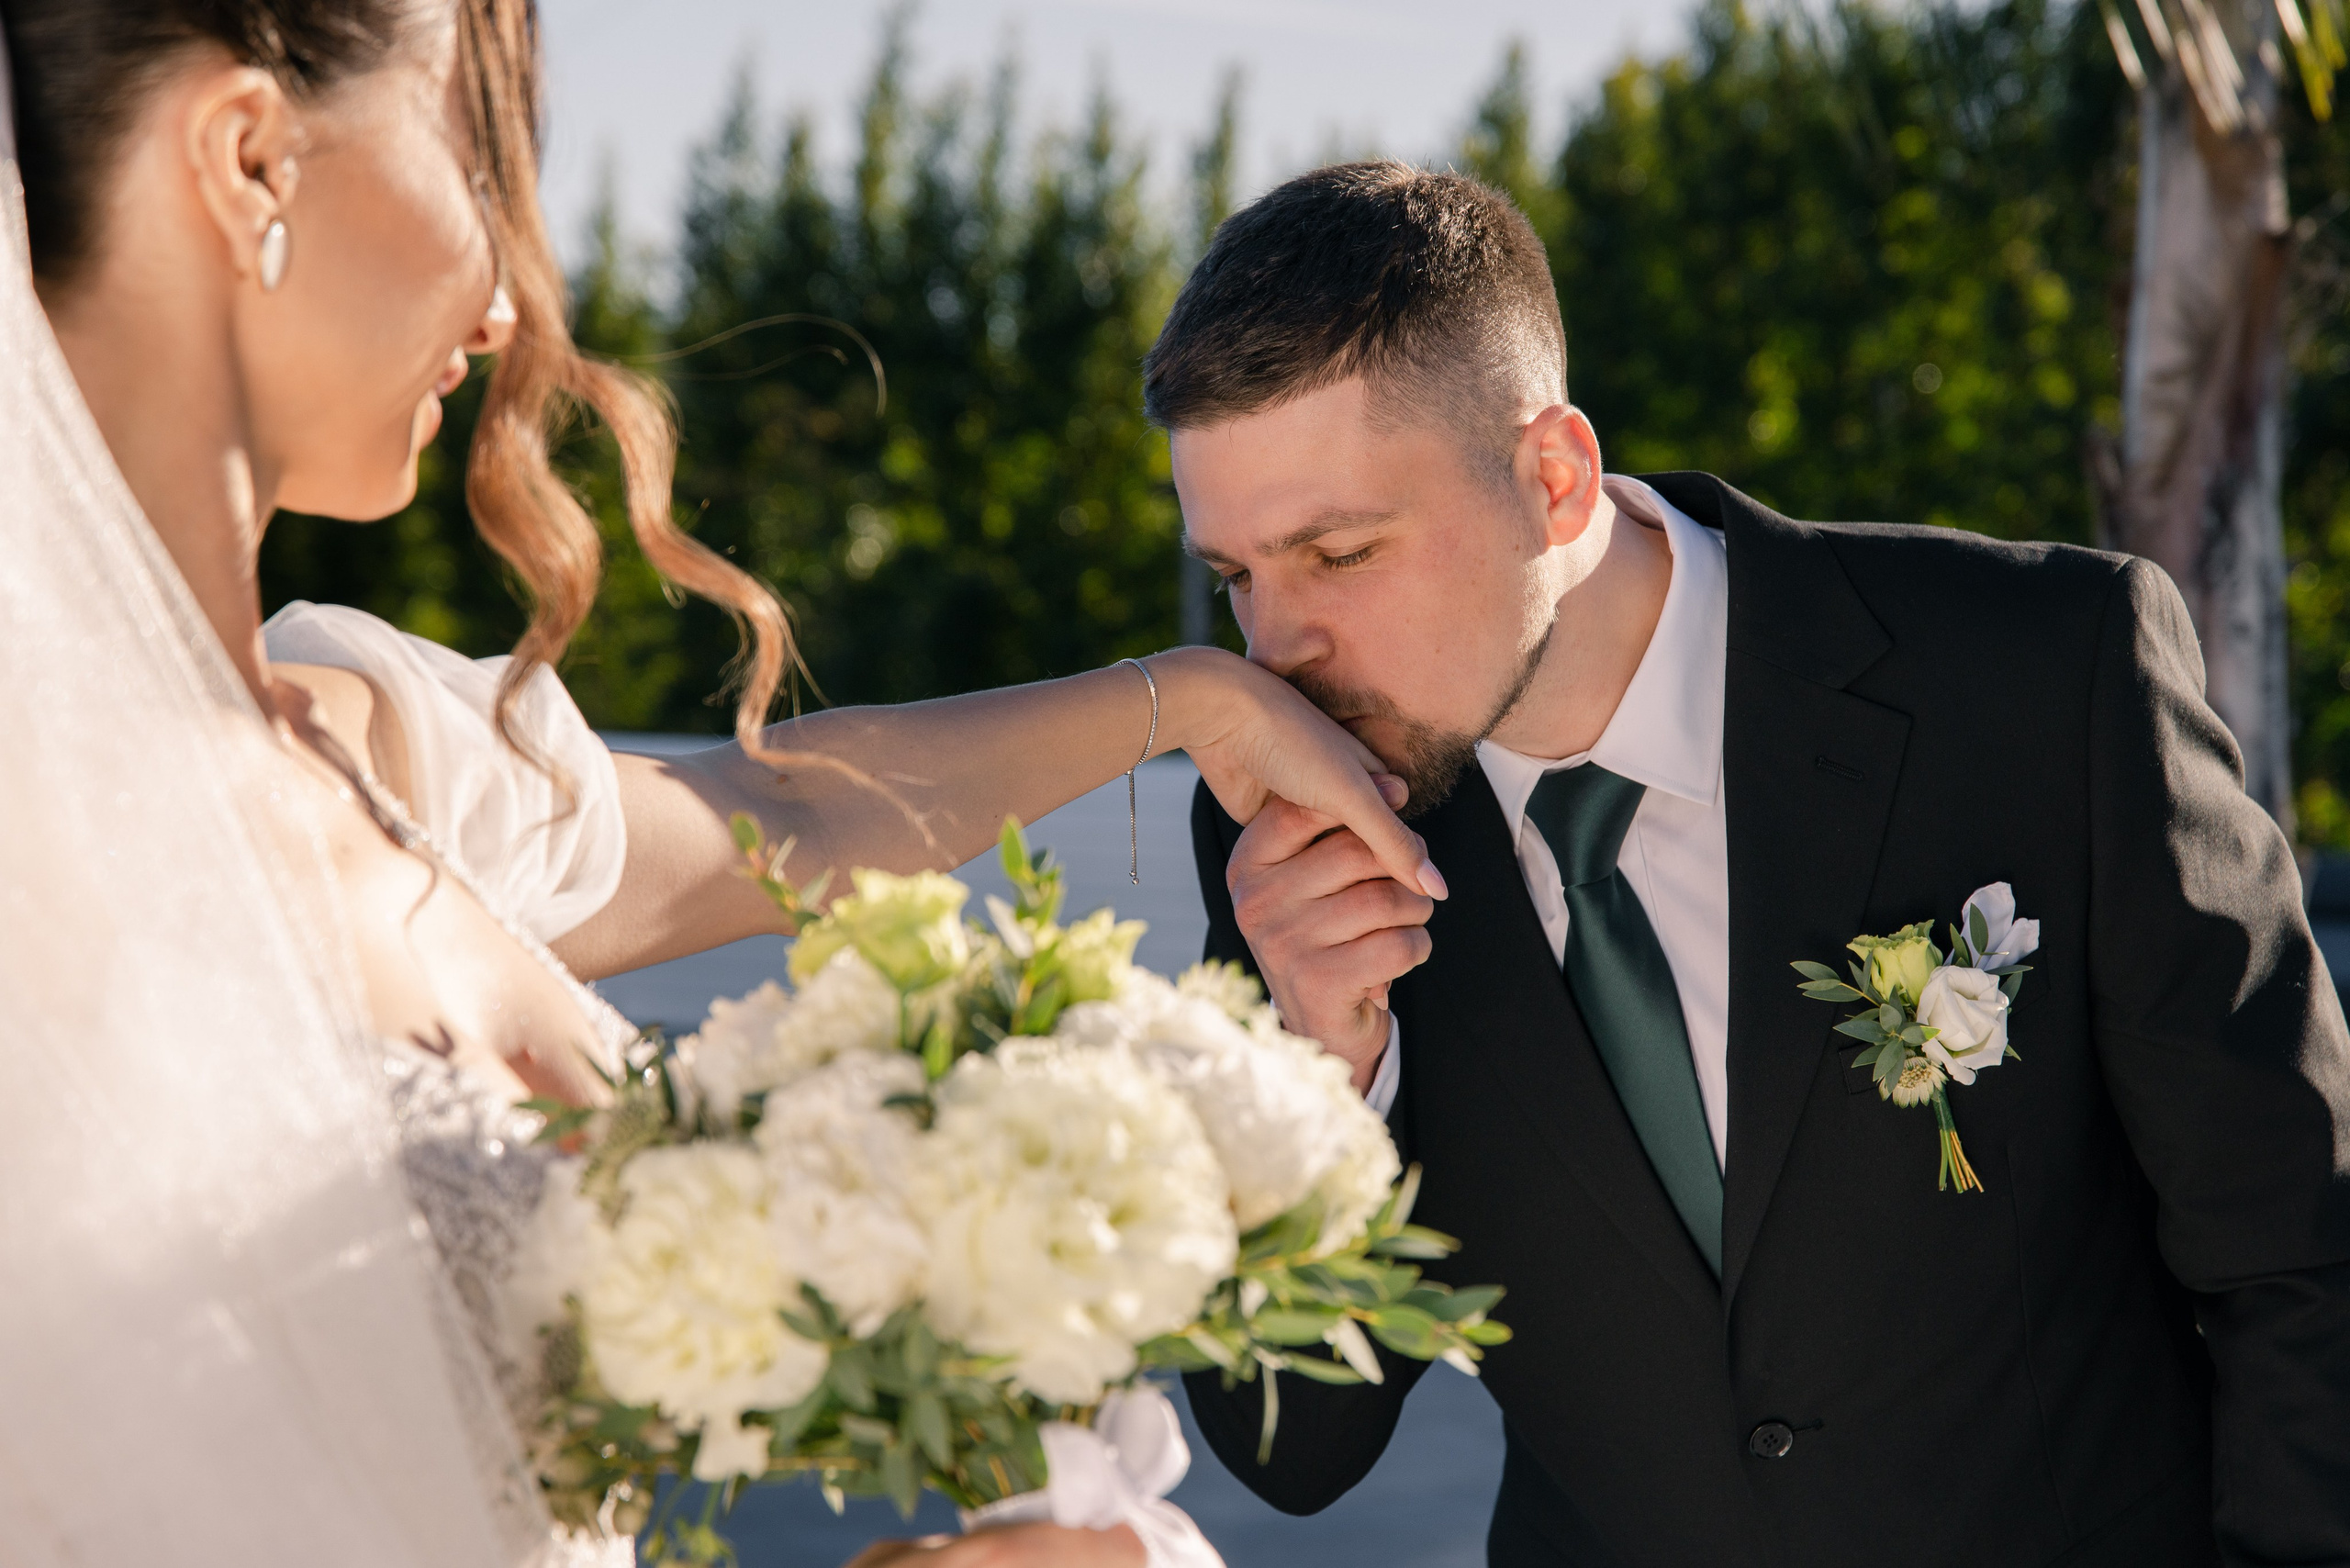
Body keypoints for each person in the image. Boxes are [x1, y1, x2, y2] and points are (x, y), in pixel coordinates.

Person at [0, 5, 1438, 1564]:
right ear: (248, 161)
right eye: (483, 158)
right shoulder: (39, 879)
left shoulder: (374, 753)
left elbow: (797, 816)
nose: (504, 302)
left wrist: (1191, 698)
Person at [1160, 162, 2350, 1567]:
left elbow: (2300, 1252)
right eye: (1238, 576)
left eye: (1338, 553)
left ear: (1554, 478)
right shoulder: (1283, 837)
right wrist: (1323, 1075)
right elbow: (1294, 1453)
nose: (1276, 649)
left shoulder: (2042, 677)